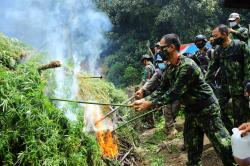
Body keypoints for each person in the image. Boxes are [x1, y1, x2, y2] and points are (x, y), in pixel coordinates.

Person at [133, 33, 235, 166]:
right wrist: (145, 98)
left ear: (171, 47)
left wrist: (150, 103)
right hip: (192, 111)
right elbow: (163, 88)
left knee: (223, 145)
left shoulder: (187, 66)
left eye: (161, 48)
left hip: (207, 109)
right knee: (192, 149)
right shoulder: (170, 67)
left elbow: (175, 92)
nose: (158, 51)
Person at [206, 24, 250, 133]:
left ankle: (241, 142)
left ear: (225, 34)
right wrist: (202, 83)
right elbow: (211, 69)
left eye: (215, 36)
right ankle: (232, 133)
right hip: (224, 88)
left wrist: (248, 83)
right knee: (218, 111)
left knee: (240, 118)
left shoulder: (240, 46)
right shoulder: (217, 51)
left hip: (240, 88)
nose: (213, 38)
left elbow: (248, 66)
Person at [136, 54, 179, 136]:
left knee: (174, 109)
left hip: (176, 93)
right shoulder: (158, 71)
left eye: (162, 61)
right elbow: (151, 81)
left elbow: (145, 80)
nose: (161, 63)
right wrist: (142, 89)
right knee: (167, 111)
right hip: (163, 92)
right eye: (159, 62)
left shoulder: (174, 68)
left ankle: (166, 125)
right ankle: (170, 128)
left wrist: (142, 89)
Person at [139, 54, 155, 129]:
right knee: (151, 105)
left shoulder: (147, 68)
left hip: (148, 89)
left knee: (148, 106)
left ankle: (151, 123)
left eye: (143, 61)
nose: (143, 63)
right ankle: (152, 122)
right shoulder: (153, 66)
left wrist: (140, 89)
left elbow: (144, 80)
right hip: (153, 88)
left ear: (145, 60)